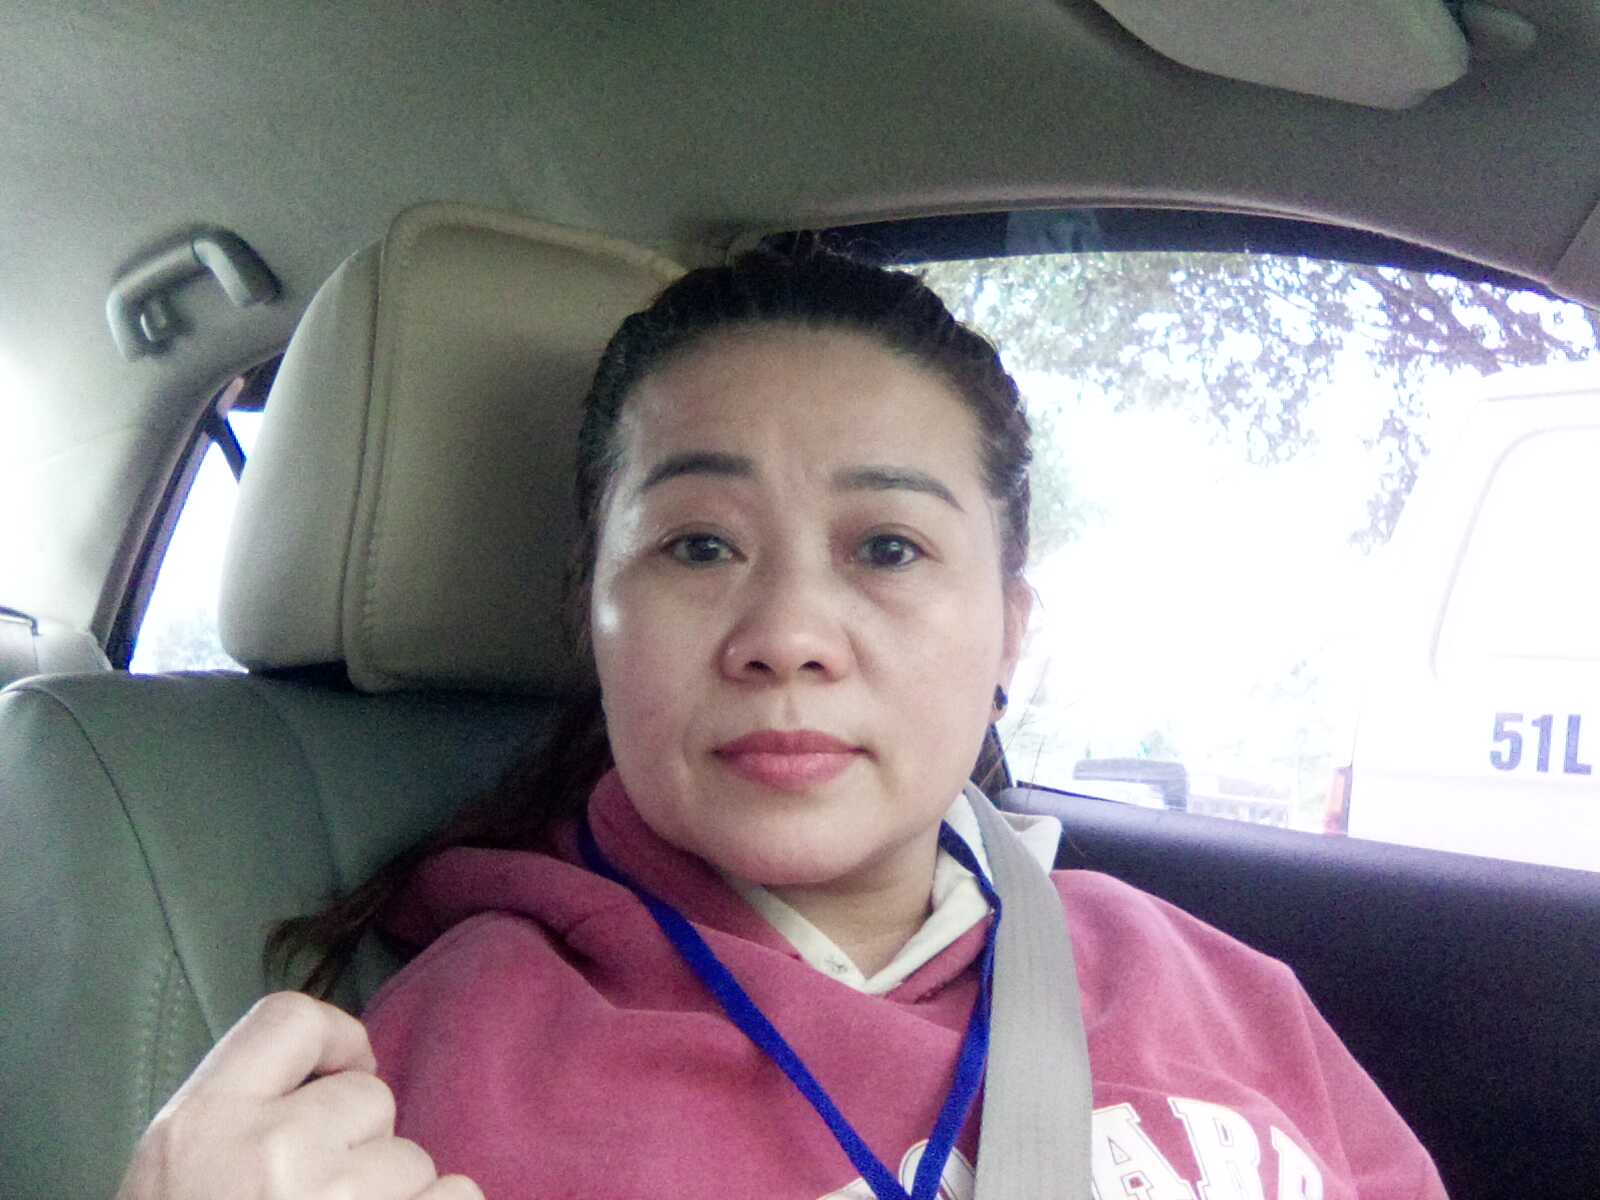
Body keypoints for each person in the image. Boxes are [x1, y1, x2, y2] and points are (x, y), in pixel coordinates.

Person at [116, 248, 1449, 1200]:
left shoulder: (1227, 996)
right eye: (699, 545)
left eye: (887, 546)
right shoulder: (427, 1082)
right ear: (592, 612)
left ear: (1010, 630)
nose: (789, 632)